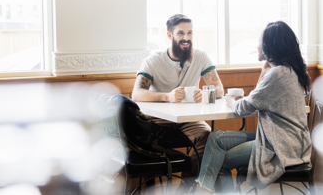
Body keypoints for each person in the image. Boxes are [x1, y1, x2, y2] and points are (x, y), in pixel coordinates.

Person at [195, 21, 312, 194]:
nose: (257, 45)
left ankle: (203, 191)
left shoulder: (278, 74)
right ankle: (202, 189)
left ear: (269, 46)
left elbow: (243, 108)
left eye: (260, 41)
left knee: (220, 160)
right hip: (285, 140)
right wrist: (263, 71)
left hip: (281, 147)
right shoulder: (291, 71)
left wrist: (231, 101)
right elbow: (259, 102)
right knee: (216, 138)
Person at [131, 14, 224, 182]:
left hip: (189, 120)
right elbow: (136, 93)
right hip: (158, 120)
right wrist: (167, 96)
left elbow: (219, 89)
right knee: (144, 141)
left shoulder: (201, 57)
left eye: (190, 33)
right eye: (181, 33)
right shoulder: (152, 61)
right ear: (169, 35)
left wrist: (204, 94)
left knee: (208, 137)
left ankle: (189, 186)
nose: (186, 38)